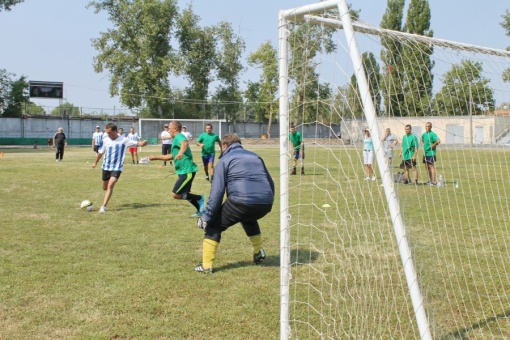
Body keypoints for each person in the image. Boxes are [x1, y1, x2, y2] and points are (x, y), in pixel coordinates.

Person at [195, 134, 275, 273]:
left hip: (241, 201)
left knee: (213, 226)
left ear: (224, 146)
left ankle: (206, 266)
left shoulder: (225, 159)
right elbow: (270, 182)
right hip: (266, 202)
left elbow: (217, 191)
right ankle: (259, 252)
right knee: (248, 218)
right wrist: (268, 199)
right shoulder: (256, 156)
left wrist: (207, 216)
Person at [149, 121, 205, 217]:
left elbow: (184, 143)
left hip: (187, 170)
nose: (168, 130)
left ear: (175, 129)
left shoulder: (179, 136)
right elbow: (172, 156)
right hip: (182, 170)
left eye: (169, 128)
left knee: (175, 194)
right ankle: (201, 211)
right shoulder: (175, 139)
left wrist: (181, 152)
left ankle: (200, 198)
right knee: (184, 193)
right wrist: (156, 157)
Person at [91, 123, 147, 213]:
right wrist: (95, 162)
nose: (107, 134)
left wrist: (143, 143)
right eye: (106, 132)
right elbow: (101, 152)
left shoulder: (124, 140)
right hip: (106, 166)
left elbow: (139, 143)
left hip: (117, 167)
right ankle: (105, 198)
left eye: (109, 132)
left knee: (110, 185)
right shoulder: (105, 140)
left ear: (114, 131)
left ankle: (103, 206)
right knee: (104, 187)